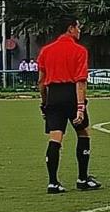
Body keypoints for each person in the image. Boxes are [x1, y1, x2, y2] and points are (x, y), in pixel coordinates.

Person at [36, 16, 101, 193]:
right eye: (78, 27)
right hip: (71, 94)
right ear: (70, 28)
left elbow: (41, 82)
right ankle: (82, 178)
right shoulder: (79, 50)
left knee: (55, 138)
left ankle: (53, 182)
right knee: (83, 133)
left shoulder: (46, 51)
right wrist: (80, 107)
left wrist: (44, 103)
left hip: (53, 96)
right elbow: (80, 81)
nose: (80, 30)